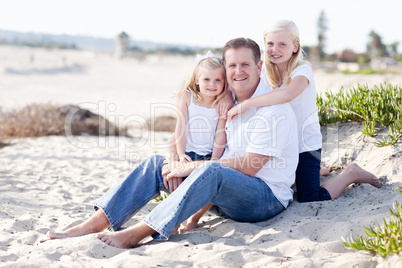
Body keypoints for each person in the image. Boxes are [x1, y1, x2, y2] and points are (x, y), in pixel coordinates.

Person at [46, 37, 300, 248]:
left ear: (259, 66)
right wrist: (177, 161)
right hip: (222, 197)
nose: (238, 72)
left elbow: (250, 166)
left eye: (245, 64)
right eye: (232, 66)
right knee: (158, 164)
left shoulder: (273, 109)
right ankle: (94, 223)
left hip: (263, 199)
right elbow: (190, 119)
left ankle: (138, 233)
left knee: (211, 169)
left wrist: (191, 168)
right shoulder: (228, 99)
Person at [226, 19, 381, 203]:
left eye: (282, 44)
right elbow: (240, 83)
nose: (275, 49)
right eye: (270, 44)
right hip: (281, 146)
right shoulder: (266, 73)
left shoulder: (302, 71)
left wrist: (247, 104)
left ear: (295, 47)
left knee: (309, 197)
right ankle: (315, 171)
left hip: (304, 145)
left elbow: (287, 95)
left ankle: (350, 173)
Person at [171, 51, 229, 232]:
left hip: (209, 155)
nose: (212, 84)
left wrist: (215, 158)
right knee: (178, 186)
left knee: (209, 189)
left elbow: (221, 133)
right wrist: (181, 154)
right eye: (207, 80)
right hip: (188, 152)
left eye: (218, 80)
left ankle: (194, 218)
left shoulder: (221, 102)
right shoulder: (187, 97)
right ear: (197, 80)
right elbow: (181, 127)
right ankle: (175, 218)